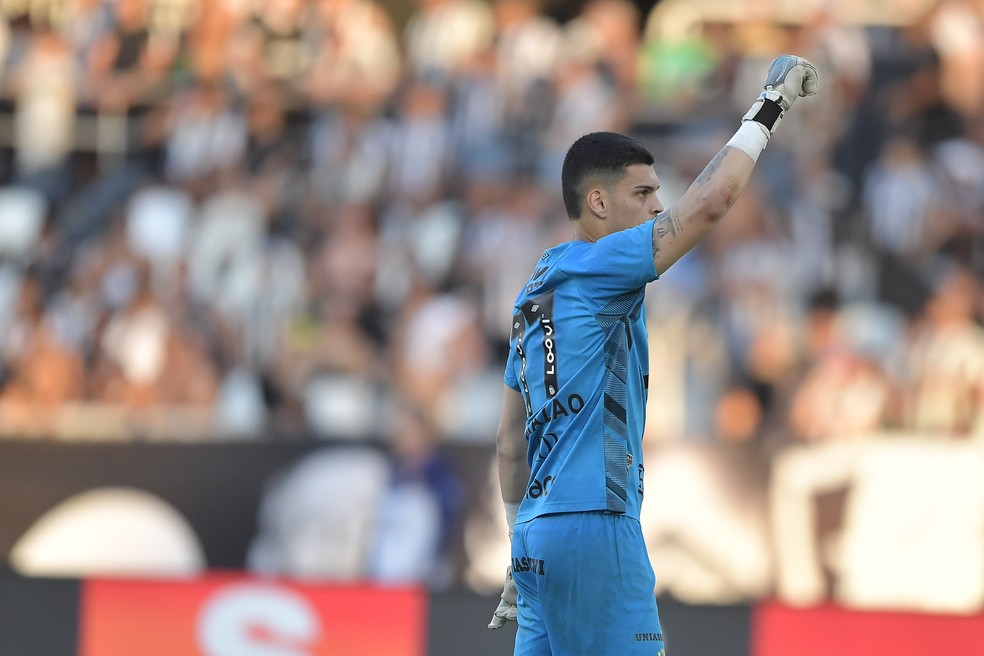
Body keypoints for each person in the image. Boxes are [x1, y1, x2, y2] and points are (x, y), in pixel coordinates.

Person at [486, 55, 819, 654]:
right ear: (597, 203)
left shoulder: (531, 297)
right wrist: (768, 107)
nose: (657, 207)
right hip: (598, 524)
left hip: (535, 538)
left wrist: (517, 550)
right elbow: (709, 206)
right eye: (643, 193)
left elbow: (511, 444)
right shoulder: (602, 264)